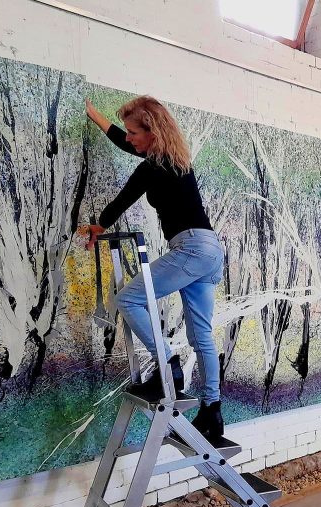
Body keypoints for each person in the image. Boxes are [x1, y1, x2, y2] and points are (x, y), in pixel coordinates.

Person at [84, 95, 226, 444]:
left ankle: (169, 366)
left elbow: (124, 198)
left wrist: (98, 227)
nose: (130, 138)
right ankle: (212, 408)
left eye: (135, 132)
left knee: (129, 298)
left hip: (191, 247)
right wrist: (95, 115)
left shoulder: (153, 167)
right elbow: (124, 142)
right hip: (208, 249)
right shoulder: (174, 161)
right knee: (201, 335)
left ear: (153, 133)